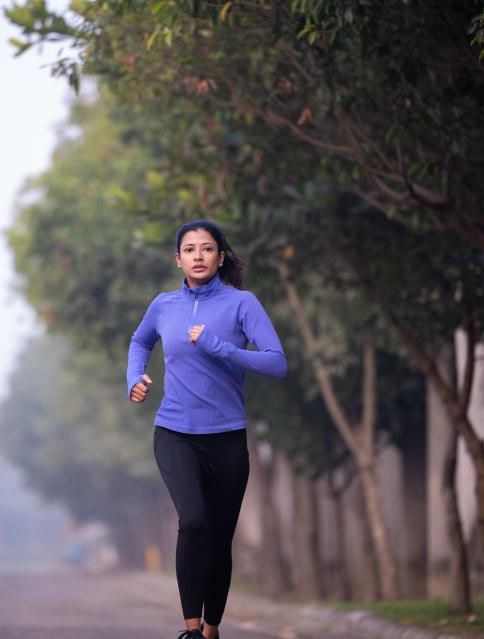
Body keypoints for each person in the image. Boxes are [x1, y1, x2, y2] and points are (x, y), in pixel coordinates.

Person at [126, 219, 287, 639]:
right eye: (190, 249)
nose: (199, 256)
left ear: (220, 257)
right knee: (193, 521)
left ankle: (212, 628)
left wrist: (223, 349)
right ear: (178, 258)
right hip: (175, 431)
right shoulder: (163, 305)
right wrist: (135, 378)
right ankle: (191, 629)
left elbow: (276, 361)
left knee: (218, 537)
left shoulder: (242, 304)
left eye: (208, 249)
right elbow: (140, 341)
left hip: (226, 437)